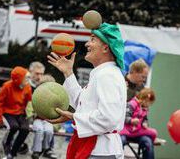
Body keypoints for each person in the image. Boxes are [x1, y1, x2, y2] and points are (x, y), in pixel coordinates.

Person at [47, 22, 127, 159]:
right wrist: (68, 73)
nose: (87, 44)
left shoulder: (107, 75)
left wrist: (73, 116)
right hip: (95, 148)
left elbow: (109, 118)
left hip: (100, 150)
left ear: (106, 48)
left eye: (92, 39)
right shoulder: (103, 73)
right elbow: (83, 103)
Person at [0, 66, 32, 159]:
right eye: (25, 78)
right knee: (13, 127)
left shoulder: (27, 87)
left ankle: (12, 153)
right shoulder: (7, 86)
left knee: (25, 129)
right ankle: (6, 144)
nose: (28, 80)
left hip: (20, 113)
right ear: (18, 79)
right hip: (7, 112)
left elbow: (29, 102)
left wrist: (30, 116)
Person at [120, 88, 158, 159]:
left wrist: (145, 123)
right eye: (148, 103)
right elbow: (125, 117)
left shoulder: (145, 108)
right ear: (144, 99)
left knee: (148, 141)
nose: (148, 105)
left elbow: (145, 119)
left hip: (138, 132)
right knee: (121, 140)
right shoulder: (132, 104)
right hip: (126, 131)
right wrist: (131, 120)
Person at [27, 74, 57, 159]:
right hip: (37, 119)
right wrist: (30, 119)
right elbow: (29, 108)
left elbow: (58, 112)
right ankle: (36, 151)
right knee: (39, 130)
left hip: (49, 120)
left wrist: (56, 123)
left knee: (48, 131)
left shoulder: (55, 98)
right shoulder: (36, 96)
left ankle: (46, 149)